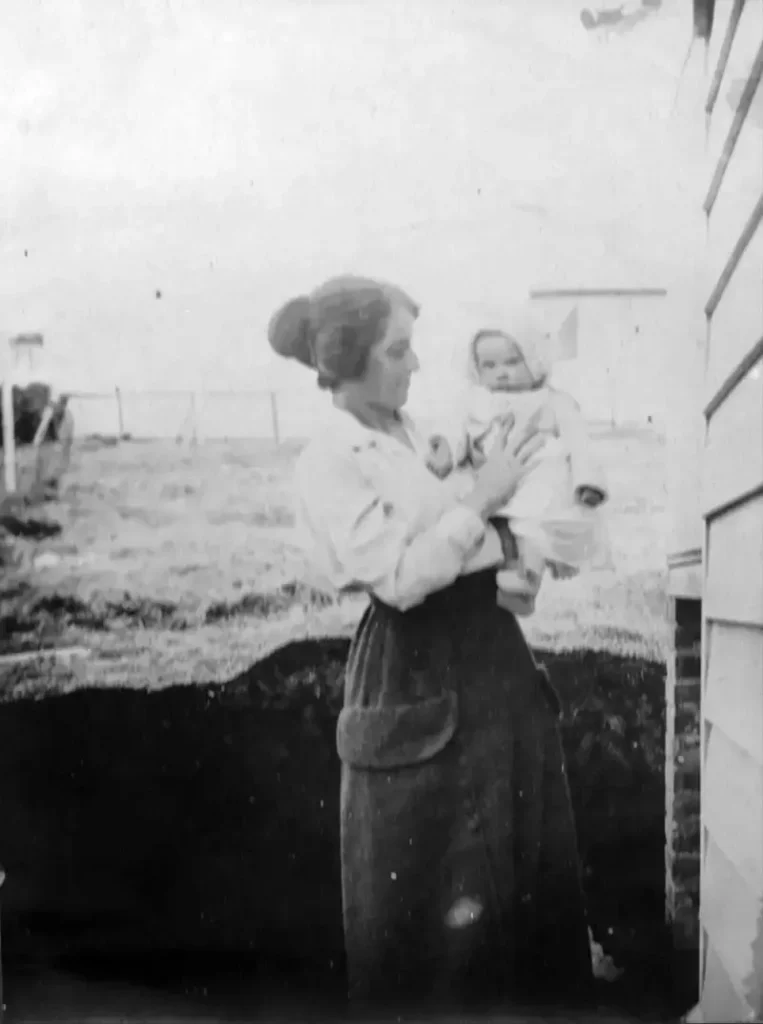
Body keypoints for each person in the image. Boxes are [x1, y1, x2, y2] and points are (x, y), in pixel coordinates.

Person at [268, 275, 596, 1017]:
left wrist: (515, 544)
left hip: (492, 657)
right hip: (410, 674)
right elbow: (399, 577)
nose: (415, 365)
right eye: (397, 349)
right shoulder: (332, 458)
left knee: (523, 885)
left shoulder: (422, 437)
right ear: (348, 358)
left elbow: (487, 531)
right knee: (435, 919)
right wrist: (482, 505)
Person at [424, 311, 609, 616]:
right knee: (469, 517)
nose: (501, 373)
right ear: (476, 369)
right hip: (488, 479)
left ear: (534, 360)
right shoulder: (472, 400)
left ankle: (528, 577)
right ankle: (504, 584)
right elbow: (456, 429)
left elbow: (580, 441)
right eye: (490, 365)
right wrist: (446, 449)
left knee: (535, 518)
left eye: (512, 362)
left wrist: (587, 480)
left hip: (537, 472)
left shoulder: (554, 400)